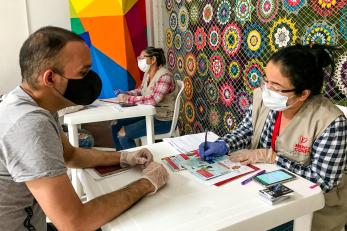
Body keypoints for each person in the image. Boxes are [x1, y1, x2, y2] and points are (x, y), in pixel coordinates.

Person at [0, 26, 169, 231]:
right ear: (50, 78)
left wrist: (124, 157)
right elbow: (75, 224)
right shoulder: (29, 124)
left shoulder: (34, 102)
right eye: (84, 72)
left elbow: (70, 155)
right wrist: (147, 183)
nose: (91, 79)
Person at [199, 44, 347, 231]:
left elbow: (323, 181)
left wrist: (272, 158)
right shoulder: (265, 98)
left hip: (310, 210)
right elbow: (247, 130)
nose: (266, 90)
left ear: (303, 94)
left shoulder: (330, 122)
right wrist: (224, 144)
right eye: (266, 80)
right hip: (261, 193)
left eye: (276, 86)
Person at [111, 47, 179, 150]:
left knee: (123, 134)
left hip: (163, 120)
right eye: (139, 58)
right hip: (149, 115)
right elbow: (140, 91)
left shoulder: (165, 77)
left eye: (142, 57)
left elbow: (154, 100)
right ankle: (121, 159)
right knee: (116, 124)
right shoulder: (147, 75)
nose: (139, 60)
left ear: (153, 60)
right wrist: (125, 93)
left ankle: (137, 162)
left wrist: (127, 99)